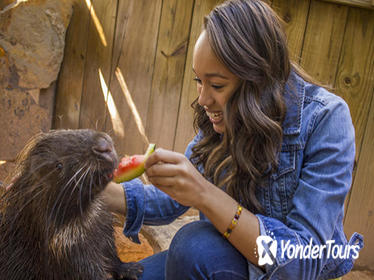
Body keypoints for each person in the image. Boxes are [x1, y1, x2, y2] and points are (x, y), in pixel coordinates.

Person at [102, 0, 363, 279]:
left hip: (276, 272)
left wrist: (205, 194)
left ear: (257, 80)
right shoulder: (225, 118)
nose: (202, 99)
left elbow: (301, 262)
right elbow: (167, 202)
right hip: (225, 257)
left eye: (216, 85)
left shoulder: (326, 119)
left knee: (193, 247)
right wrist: (92, 191)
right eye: (198, 81)